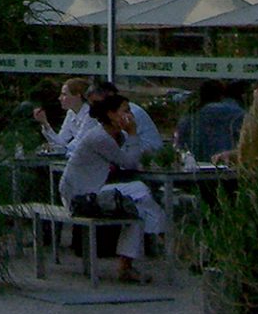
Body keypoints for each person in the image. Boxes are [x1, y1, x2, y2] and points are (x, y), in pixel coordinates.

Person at [59, 90, 166, 283]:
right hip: (81, 197)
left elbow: (132, 158)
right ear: (111, 114)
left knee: (138, 209)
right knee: (140, 190)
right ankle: (160, 232)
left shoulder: (117, 136)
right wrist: (133, 133)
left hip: (94, 190)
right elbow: (130, 163)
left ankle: (128, 264)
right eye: (125, 111)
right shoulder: (100, 137)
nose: (130, 116)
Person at [180, 80, 245, 164]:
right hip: (225, 164)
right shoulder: (236, 113)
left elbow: (180, 144)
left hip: (195, 167)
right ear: (222, 95)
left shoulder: (190, 116)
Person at [34, 76, 91, 152]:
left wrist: (55, 148)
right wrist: (45, 123)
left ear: (78, 96)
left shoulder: (90, 115)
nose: (60, 98)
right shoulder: (71, 113)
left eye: (64, 94)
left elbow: (78, 145)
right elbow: (61, 141)